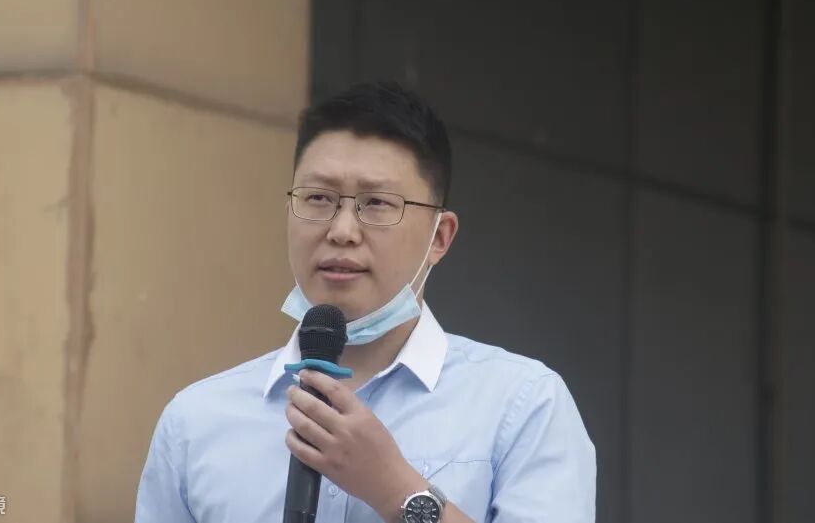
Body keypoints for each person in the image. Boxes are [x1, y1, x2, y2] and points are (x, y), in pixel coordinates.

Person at [134, 81, 596, 523]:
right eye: (318, 198)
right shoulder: (196, 422)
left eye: (376, 203)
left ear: (439, 237)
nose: (341, 231)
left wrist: (394, 489)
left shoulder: (522, 405)